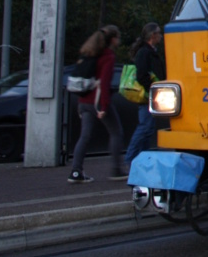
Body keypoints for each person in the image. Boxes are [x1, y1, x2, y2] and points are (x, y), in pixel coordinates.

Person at [69, 25, 125, 183]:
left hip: (84, 101)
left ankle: (76, 171)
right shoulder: (108, 56)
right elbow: (105, 83)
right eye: (118, 38)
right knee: (116, 132)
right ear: (112, 39)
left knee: (85, 136)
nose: (119, 41)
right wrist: (104, 107)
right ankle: (116, 170)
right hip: (98, 102)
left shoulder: (88, 53)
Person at [124, 22, 165, 168]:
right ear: (153, 35)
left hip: (150, 94)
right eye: (159, 33)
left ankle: (143, 159)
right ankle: (130, 158)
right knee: (145, 127)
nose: (161, 36)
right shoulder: (145, 52)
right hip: (148, 95)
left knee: (147, 128)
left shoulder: (147, 51)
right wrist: (152, 90)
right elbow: (142, 74)